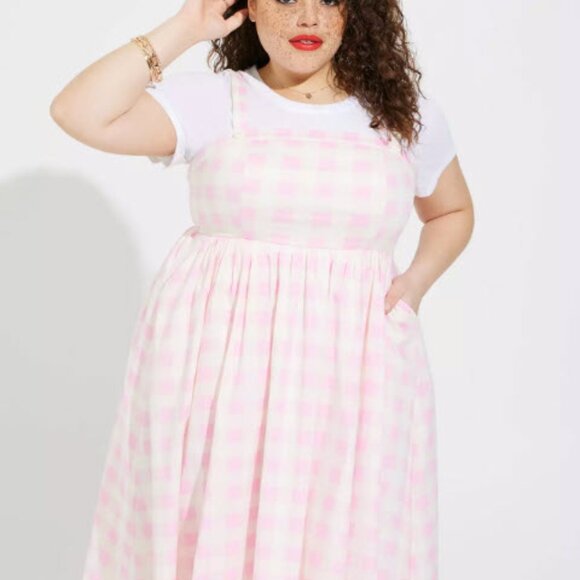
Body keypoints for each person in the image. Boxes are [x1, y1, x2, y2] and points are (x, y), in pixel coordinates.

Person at [50, 0, 474, 577]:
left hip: (358, 375)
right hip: (219, 371)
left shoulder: (402, 115)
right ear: (249, 6)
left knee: (344, 541)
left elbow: (451, 210)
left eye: (328, 0)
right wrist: (188, 27)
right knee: (217, 534)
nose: (309, 18)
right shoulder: (216, 101)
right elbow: (79, 112)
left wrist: (414, 285)